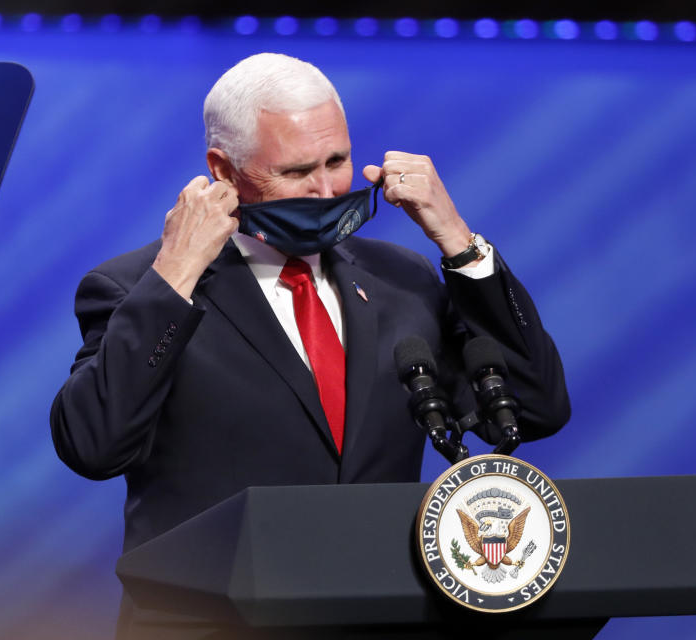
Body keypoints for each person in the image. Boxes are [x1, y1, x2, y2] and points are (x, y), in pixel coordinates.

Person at [50, 52, 569, 635]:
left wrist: (457, 241)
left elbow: (533, 409)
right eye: (297, 173)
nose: (326, 191)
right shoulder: (139, 288)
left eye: (338, 161)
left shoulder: (401, 280)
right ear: (224, 170)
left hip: (381, 619)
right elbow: (93, 445)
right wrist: (175, 274)